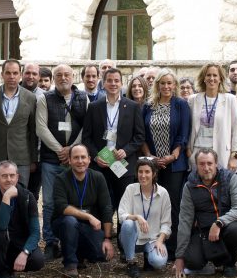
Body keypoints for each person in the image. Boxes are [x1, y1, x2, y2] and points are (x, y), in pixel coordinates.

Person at [35, 64, 89, 259]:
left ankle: (73, 242)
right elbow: (41, 128)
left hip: (75, 162)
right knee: (49, 202)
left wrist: (72, 150)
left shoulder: (84, 98)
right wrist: (60, 151)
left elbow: (87, 126)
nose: (63, 77)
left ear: (73, 76)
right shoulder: (45, 99)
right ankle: (50, 242)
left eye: (67, 74)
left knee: (74, 201)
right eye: (59, 75)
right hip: (51, 159)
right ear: (54, 78)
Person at [83, 67, 146, 221]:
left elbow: (139, 136)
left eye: (116, 81)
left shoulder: (132, 106)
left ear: (121, 83)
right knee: (100, 203)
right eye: (109, 80)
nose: (113, 84)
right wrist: (96, 156)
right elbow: (87, 137)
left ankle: (122, 241)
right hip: (101, 163)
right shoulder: (94, 107)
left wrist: (126, 151)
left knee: (124, 204)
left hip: (123, 163)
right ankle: (101, 237)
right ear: (103, 83)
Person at [173, 149, 237, 278]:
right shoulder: (190, 186)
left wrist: (219, 223)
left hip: (226, 227)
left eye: (209, 163)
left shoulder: (230, 178)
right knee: (192, 262)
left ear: (216, 164)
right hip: (203, 232)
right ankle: (209, 258)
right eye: (201, 164)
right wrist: (179, 256)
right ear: (196, 165)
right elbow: (185, 220)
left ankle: (229, 263)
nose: (206, 168)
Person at [141, 72, 190, 258]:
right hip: (152, 164)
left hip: (174, 164)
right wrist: (149, 156)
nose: (166, 86)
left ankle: (173, 248)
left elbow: (184, 133)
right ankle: (152, 245)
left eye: (169, 83)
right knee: (153, 204)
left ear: (174, 84)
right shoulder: (148, 106)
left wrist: (173, 155)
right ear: (157, 85)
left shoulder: (181, 105)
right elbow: (142, 134)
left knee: (173, 205)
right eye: (162, 83)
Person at [52, 144, 115, 278]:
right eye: (76, 158)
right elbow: (62, 206)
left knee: (101, 255)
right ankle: (70, 264)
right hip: (64, 223)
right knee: (70, 221)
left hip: (88, 227)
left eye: (83, 157)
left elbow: (106, 207)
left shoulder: (98, 177)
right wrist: (89, 217)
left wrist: (107, 239)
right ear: (69, 160)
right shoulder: (61, 179)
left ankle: (78, 253)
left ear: (89, 159)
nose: (80, 161)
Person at [0, 161, 44, 278]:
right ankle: (1, 274)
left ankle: (10, 268)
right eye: (4, 176)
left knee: (37, 261)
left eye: (12, 175)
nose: (9, 179)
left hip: (19, 242)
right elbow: (1, 224)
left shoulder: (27, 197)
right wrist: (7, 197)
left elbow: (35, 231)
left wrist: (25, 252)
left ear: (17, 177)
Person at [0, 59, 38, 184]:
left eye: (15, 73)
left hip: (21, 158)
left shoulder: (30, 98)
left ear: (20, 75)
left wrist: (33, 159)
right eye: (8, 73)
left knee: (20, 197)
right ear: (2, 74)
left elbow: (33, 130)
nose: (12, 77)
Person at [117, 158, 171, 278]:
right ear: (136, 173)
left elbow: (166, 223)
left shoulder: (163, 193)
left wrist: (160, 240)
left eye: (147, 172)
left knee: (158, 262)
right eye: (140, 172)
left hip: (153, 238)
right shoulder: (130, 189)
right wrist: (136, 217)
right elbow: (121, 215)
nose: (143, 175)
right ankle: (131, 262)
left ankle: (148, 257)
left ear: (154, 173)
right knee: (127, 223)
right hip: (133, 238)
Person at [187, 63, 237, 174]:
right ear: (204, 78)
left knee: (221, 187)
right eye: (208, 75)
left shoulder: (230, 99)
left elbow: (235, 130)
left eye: (215, 75)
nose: (212, 78)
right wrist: (189, 152)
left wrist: (234, 156)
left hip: (221, 151)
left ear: (220, 78)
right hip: (198, 151)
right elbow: (188, 128)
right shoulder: (193, 100)